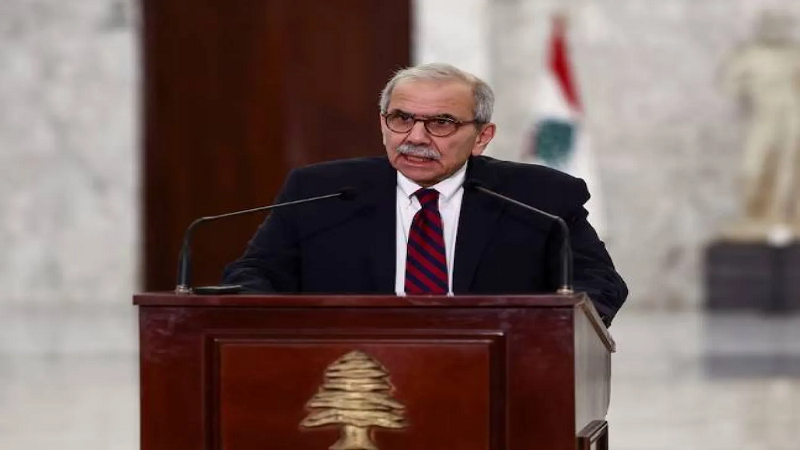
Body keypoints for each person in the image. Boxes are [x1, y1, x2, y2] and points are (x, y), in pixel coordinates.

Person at [222, 63, 627, 325]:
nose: (415, 137)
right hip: (348, 372)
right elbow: (252, 275)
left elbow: (599, 283)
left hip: (497, 369)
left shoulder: (539, 197)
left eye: (441, 123)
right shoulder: (319, 191)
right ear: (383, 124)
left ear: (482, 137)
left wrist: (547, 334)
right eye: (401, 118)